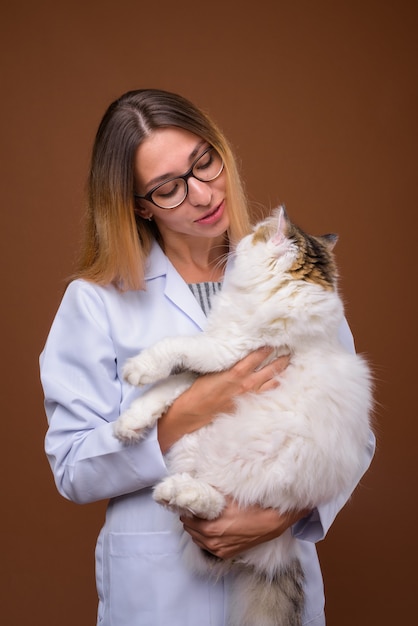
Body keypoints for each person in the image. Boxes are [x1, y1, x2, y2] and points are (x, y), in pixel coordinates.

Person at [40, 88, 375, 626]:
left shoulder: (293, 277)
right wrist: (184, 414)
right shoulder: (94, 300)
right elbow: (73, 466)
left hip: (277, 575)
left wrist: (284, 514)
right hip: (159, 595)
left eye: (204, 162)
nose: (201, 193)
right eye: (169, 188)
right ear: (137, 204)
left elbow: (352, 431)